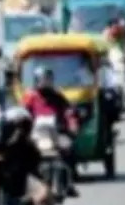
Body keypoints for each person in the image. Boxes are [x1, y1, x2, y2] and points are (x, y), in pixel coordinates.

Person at [21, 67, 81, 195]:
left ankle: (69, 182)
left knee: (68, 146)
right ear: (36, 81)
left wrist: (72, 125)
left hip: (57, 134)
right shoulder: (30, 97)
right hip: (36, 135)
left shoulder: (58, 96)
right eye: (42, 79)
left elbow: (68, 113)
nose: (45, 82)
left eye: (48, 79)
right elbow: (22, 113)